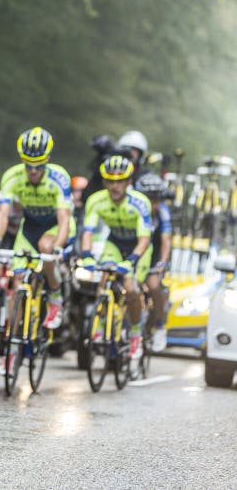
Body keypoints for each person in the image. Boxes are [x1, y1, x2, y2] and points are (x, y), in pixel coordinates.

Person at [0, 127, 75, 338]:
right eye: (28, 164)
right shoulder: (12, 176)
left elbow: (64, 218)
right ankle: (12, 339)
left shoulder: (59, 178)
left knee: (46, 247)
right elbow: (2, 213)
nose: (33, 170)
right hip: (29, 228)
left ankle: (55, 296)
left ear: (46, 161)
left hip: (54, 226)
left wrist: (57, 247)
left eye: (38, 165)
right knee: (17, 282)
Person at [81, 155, 152, 363]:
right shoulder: (96, 200)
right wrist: (86, 256)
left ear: (128, 182)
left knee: (130, 289)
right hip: (114, 243)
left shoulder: (140, 202)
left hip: (138, 246)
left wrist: (131, 260)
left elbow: (145, 239)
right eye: (110, 181)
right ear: (104, 182)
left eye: (120, 180)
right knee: (103, 277)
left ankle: (136, 333)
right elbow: (87, 231)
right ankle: (101, 324)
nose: (114, 186)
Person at [135, 172, 171, 352]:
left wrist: (163, 263)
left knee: (154, 284)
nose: (152, 204)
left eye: (156, 200)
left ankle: (159, 324)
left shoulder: (163, 212)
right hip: (135, 252)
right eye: (148, 199)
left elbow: (166, 241)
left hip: (155, 254)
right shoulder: (132, 207)